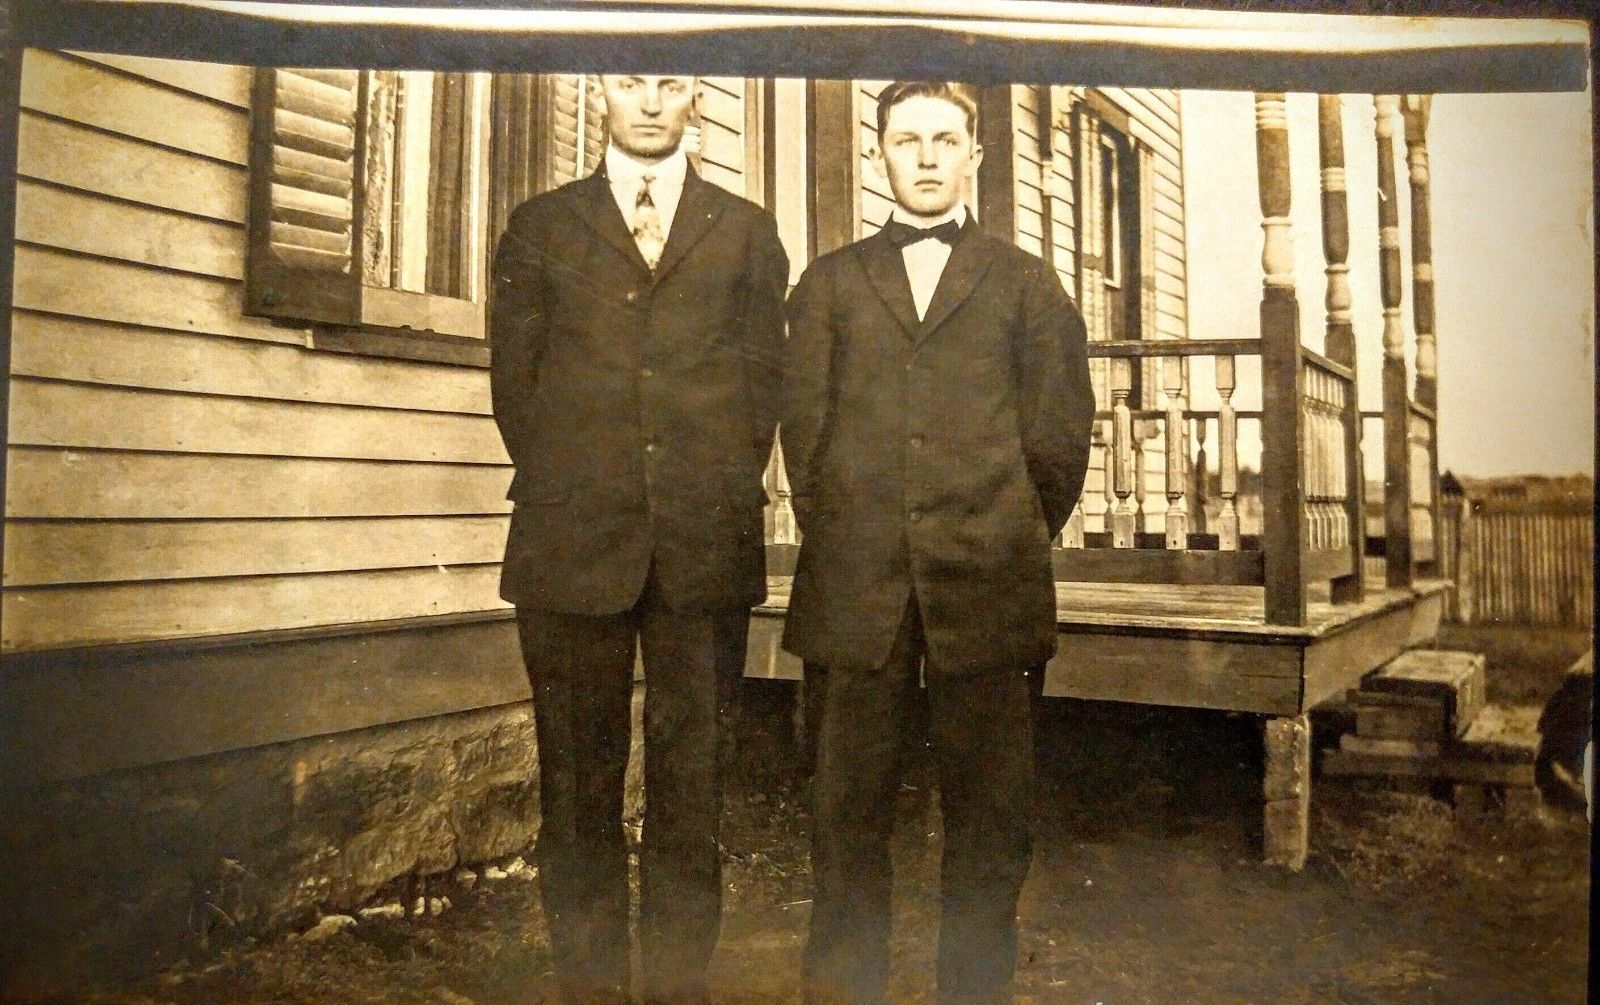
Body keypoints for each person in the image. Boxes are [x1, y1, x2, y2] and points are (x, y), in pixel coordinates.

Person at [781, 81, 1095, 1004]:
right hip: (857, 587)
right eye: (907, 140)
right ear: (878, 152)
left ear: (975, 156)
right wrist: (857, 533)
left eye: (945, 140)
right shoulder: (830, 283)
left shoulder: (1028, 285)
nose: (925, 157)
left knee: (991, 825)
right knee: (845, 818)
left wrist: (1003, 530)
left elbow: (1059, 442)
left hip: (989, 583)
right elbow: (805, 438)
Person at [489, 73, 789, 1004]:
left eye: (669, 84)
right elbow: (517, 393)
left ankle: (675, 988)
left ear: (694, 97)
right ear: (601, 94)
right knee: (578, 789)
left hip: (703, 546)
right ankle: (590, 988)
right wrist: (590, 483)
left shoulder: (745, 232)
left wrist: (698, 489)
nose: (650, 103)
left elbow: (762, 395)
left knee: (691, 790)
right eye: (630, 83)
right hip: (572, 542)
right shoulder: (541, 228)